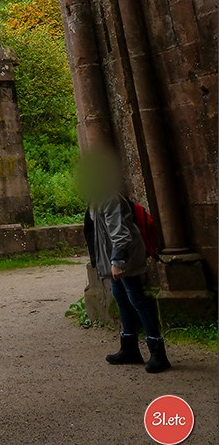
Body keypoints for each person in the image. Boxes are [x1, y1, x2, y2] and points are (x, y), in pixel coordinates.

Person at [81, 147, 171, 374]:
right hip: (117, 258)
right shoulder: (97, 199)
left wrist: (117, 261)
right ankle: (130, 347)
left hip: (124, 257)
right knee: (122, 298)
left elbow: (119, 232)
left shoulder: (110, 198)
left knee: (137, 299)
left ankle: (158, 352)